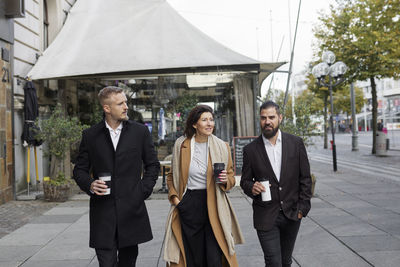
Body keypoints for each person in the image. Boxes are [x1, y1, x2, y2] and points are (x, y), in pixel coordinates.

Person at [73, 86, 160, 267]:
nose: (126, 107)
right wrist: (90, 184)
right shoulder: (90, 135)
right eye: (120, 103)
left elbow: (152, 165)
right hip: (103, 212)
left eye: (125, 102)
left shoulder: (140, 132)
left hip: (131, 210)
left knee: (128, 262)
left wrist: (142, 190)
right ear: (107, 108)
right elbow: (79, 170)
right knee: (106, 263)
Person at [163, 105, 244, 267]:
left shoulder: (222, 146)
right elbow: (172, 176)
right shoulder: (181, 145)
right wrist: (176, 200)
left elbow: (230, 178)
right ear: (195, 124)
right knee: (192, 255)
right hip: (189, 203)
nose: (209, 124)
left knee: (214, 256)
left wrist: (224, 180)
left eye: (211, 120)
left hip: (214, 203)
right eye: (204, 120)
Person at [240, 101, 312, 267]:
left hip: (292, 214)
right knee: (273, 262)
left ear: (280, 118)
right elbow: (244, 181)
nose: (267, 121)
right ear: (259, 120)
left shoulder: (296, 143)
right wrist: (252, 187)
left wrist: (302, 208)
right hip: (265, 215)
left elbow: (305, 178)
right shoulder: (250, 150)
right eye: (263, 118)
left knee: (285, 262)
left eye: (271, 117)